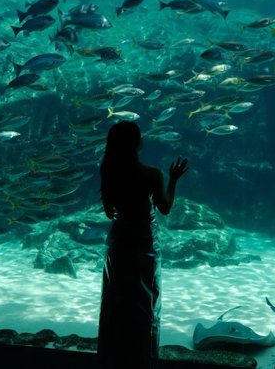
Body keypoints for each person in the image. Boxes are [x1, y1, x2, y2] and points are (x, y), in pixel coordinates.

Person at [97, 121, 189, 369]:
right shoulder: (151, 174)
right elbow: (165, 207)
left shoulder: (108, 171)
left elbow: (108, 212)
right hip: (142, 243)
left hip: (118, 242)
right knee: (144, 300)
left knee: (117, 299)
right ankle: (142, 361)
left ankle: (113, 360)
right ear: (136, 143)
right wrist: (173, 179)